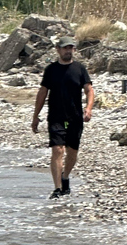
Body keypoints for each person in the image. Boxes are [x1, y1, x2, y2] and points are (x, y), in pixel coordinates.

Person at [31, 36, 94, 200]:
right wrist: (35, 116)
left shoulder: (80, 69)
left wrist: (88, 108)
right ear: (58, 49)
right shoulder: (51, 70)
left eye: (71, 48)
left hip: (75, 117)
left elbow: (89, 90)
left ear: (74, 50)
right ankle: (57, 188)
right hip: (56, 116)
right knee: (58, 150)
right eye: (65, 48)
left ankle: (65, 177)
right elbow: (42, 93)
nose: (68, 50)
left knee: (72, 152)